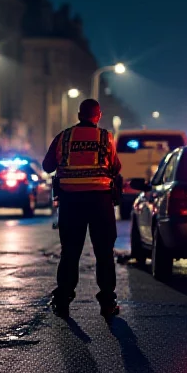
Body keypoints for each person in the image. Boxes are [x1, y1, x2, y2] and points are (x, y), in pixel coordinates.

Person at [43, 98, 122, 319]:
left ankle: (63, 300)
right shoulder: (106, 137)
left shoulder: (64, 137)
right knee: (104, 253)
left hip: (71, 202)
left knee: (70, 252)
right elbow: (115, 167)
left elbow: (47, 166)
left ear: (79, 115)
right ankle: (107, 303)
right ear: (98, 115)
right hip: (100, 202)